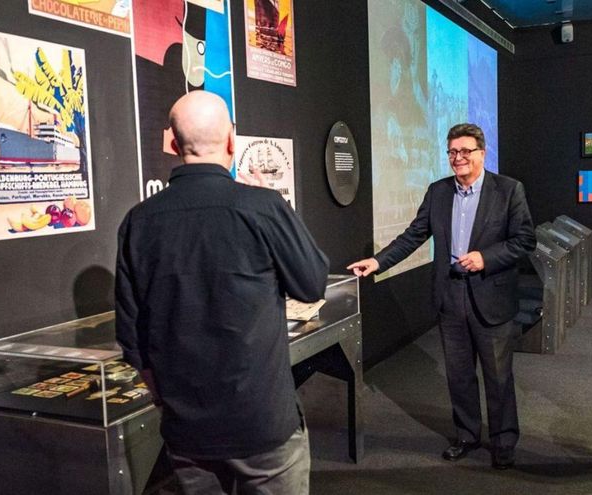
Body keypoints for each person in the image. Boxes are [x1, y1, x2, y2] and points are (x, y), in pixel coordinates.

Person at [115, 91, 329, 494]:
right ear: (232, 141)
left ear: (174, 145)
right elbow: (311, 282)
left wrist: (165, 400)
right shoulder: (262, 207)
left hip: (187, 429)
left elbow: (132, 336)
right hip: (263, 425)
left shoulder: (138, 221)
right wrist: (277, 206)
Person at [347, 123, 536, 469]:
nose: (458, 158)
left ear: (482, 152)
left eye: (465, 151)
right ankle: (466, 435)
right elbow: (413, 236)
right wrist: (378, 261)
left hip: (491, 297)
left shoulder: (508, 190)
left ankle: (503, 441)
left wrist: (486, 258)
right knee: (459, 375)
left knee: (498, 376)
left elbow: (525, 241)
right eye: (452, 152)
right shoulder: (438, 192)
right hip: (450, 296)